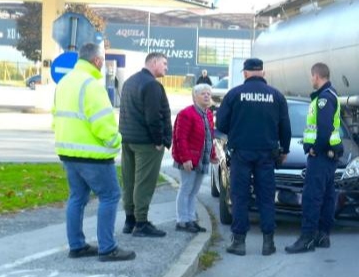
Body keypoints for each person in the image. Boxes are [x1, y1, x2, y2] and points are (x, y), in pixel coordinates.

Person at [53, 43, 135, 262]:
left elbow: (56, 116)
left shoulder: (64, 82)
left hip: (68, 152)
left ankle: (77, 246)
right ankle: (108, 248)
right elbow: (102, 123)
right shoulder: (92, 85)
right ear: (97, 61)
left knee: (77, 198)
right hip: (94, 155)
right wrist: (116, 141)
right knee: (110, 196)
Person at [215, 58, 290, 256]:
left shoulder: (234, 94)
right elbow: (285, 127)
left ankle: (239, 242)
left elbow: (221, 125)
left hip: (241, 154)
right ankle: (268, 243)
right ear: (263, 73)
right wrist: (284, 151)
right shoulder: (276, 96)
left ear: (245, 73)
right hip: (267, 155)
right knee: (266, 198)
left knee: (240, 197)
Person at [286, 62, 344, 254]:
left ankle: (307, 238)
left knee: (311, 197)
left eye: (312, 77)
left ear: (317, 76)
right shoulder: (329, 96)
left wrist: (314, 149)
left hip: (319, 157)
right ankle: (322, 235)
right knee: (327, 196)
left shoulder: (323, 99)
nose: (311, 80)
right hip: (327, 157)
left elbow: (325, 129)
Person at [119, 52, 172, 237]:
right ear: (154, 62)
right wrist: (159, 141)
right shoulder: (152, 85)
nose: (166, 67)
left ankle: (130, 220)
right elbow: (153, 117)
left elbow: (125, 111)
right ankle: (141, 223)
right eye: (164, 63)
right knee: (144, 183)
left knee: (129, 180)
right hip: (146, 143)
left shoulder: (130, 82)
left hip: (128, 139)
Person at [171, 83, 219, 233]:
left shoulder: (208, 114)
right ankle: (182, 221)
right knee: (186, 189)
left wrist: (212, 154)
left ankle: (191, 219)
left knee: (194, 191)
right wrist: (185, 159)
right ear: (194, 96)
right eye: (203, 93)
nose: (206, 96)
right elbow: (180, 138)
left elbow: (209, 136)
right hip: (189, 159)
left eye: (208, 94)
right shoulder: (186, 113)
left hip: (202, 159)